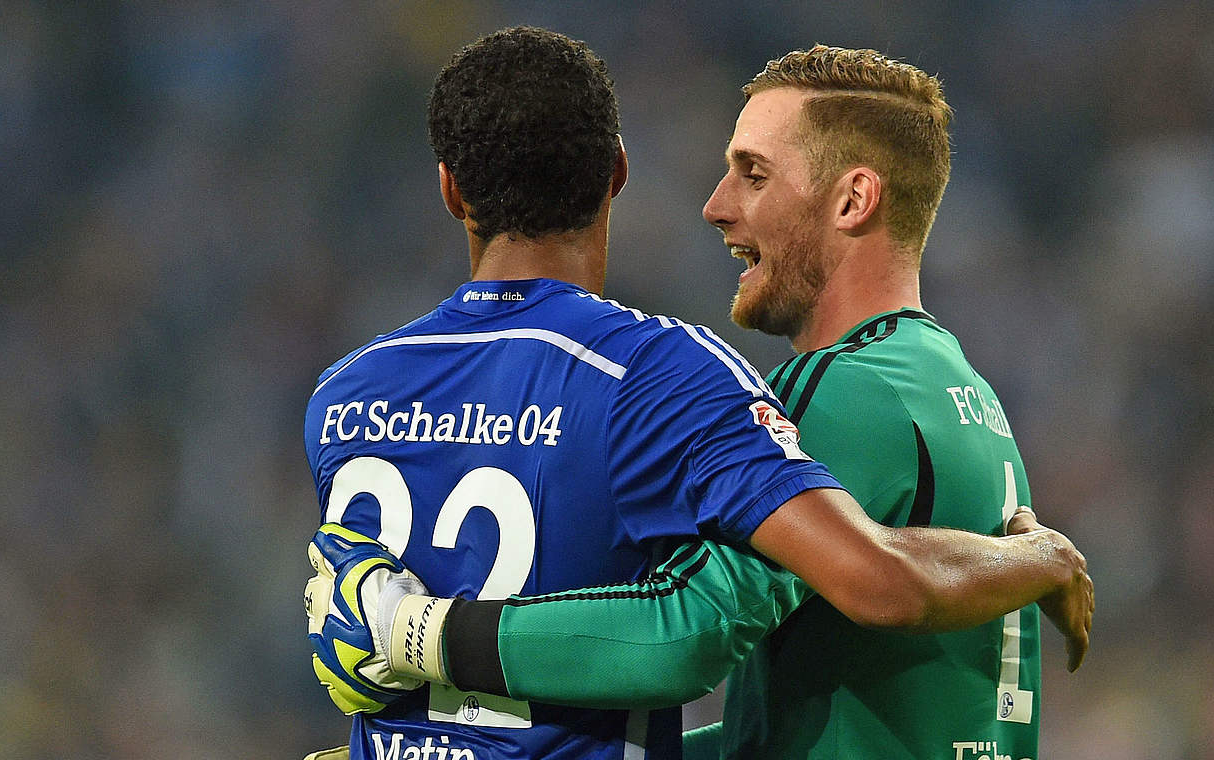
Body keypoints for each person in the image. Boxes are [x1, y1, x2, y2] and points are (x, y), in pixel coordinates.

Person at [302, 29, 1092, 760]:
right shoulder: (962, 389)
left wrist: (417, 634)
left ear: (852, 201)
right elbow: (779, 729)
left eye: (753, 173)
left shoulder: (832, 393)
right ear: (614, 170)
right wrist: (1037, 554)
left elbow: (686, 631)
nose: (715, 205)